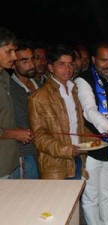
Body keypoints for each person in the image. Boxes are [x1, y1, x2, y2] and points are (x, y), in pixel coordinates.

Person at [74, 42, 108, 225]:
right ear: (94, 60)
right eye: (104, 60)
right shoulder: (83, 79)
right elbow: (89, 110)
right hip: (90, 147)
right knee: (91, 196)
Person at [28, 44, 88, 179]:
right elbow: (38, 136)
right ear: (50, 67)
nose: (67, 69)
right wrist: (65, 150)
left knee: (77, 200)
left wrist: (99, 137)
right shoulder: (39, 97)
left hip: (78, 159)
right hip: (55, 166)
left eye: (70, 64)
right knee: (59, 200)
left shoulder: (74, 91)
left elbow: (78, 126)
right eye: (61, 64)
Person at [0, 26, 32, 179]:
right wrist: (13, 133)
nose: (14, 57)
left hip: (8, 161)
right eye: (8, 51)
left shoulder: (5, 77)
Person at [10, 39, 40, 179]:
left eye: (32, 59)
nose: (31, 65)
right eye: (24, 61)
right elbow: (24, 123)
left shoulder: (38, 83)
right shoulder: (11, 89)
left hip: (43, 150)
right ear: (13, 64)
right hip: (24, 153)